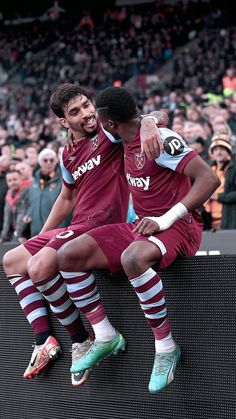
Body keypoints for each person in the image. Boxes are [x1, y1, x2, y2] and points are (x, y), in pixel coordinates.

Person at [57, 86, 220, 394]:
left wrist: (164, 220)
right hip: (143, 226)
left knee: (133, 258)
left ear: (109, 124)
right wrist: (150, 119)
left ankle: (166, 347)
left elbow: (209, 179)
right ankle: (104, 335)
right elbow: (154, 115)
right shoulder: (124, 137)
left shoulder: (161, 140)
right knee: (67, 255)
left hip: (179, 225)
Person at [3, 83, 163, 386]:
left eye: (87, 105)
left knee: (38, 267)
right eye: (76, 111)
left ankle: (80, 338)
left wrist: (150, 121)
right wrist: (42, 236)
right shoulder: (67, 154)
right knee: (12, 260)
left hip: (101, 226)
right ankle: (44, 340)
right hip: (76, 225)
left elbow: (145, 116)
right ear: (64, 122)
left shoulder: (108, 132)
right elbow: (66, 198)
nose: (88, 113)